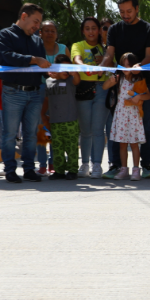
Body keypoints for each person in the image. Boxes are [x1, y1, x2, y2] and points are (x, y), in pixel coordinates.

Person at [104, 0, 150, 179]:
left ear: (137, 9)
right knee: (115, 127)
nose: (125, 15)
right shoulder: (114, 30)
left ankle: (145, 166)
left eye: (129, 11)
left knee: (143, 127)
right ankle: (116, 166)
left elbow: (149, 57)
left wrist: (138, 68)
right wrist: (103, 64)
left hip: (142, 84)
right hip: (119, 85)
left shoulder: (149, 29)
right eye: (121, 12)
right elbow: (109, 55)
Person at [0, 2, 50, 183]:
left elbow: (42, 67)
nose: (37, 27)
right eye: (35, 21)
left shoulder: (37, 40)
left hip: (35, 93)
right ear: (24, 16)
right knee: (10, 134)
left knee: (31, 134)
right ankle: (10, 170)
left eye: (39, 23)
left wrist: (52, 71)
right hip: (13, 92)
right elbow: (7, 57)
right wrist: (34, 60)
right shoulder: (5, 35)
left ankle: (29, 169)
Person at [70, 17, 109, 178]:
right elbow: (76, 59)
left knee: (98, 130)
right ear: (83, 31)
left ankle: (97, 165)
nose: (91, 31)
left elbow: (113, 64)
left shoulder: (106, 48)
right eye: (87, 28)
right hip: (83, 89)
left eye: (94, 28)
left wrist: (104, 62)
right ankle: (84, 164)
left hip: (102, 89)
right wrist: (85, 67)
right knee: (85, 131)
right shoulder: (77, 45)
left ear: (99, 30)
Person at [104, 52, 149, 181]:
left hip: (134, 114)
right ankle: (124, 169)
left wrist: (139, 96)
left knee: (134, 144)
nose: (125, 68)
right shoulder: (119, 79)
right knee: (122, 144)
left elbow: (148, 96)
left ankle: (136, 169)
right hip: (121, 114)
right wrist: (110, 81)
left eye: (128, 65)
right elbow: (104, 87)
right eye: (123, 65)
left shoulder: (139, 80)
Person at [34, 20, 68, 175]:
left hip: (58, 92)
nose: (49, 33)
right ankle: (41, 163)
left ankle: (53, 162)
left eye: (52, 30)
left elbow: (69, 70)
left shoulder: (63, 49)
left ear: (56, 33)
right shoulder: (35, 48)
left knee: (55, 127)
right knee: (42, 127)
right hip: (40, 90)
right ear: (40, 33)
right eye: (46, 30)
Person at [43, 54, 80, 180]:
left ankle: (73, 170)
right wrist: (44, 116)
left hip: (70, 121)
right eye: (62, 68)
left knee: (72, 147)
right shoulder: (48, 81)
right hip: (54, 121)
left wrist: (73, 71)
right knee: (57, 148)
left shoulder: (70, 80)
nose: (65, 71)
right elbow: (46, 100)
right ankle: (59, 171)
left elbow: (77, 79)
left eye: (67, 67)